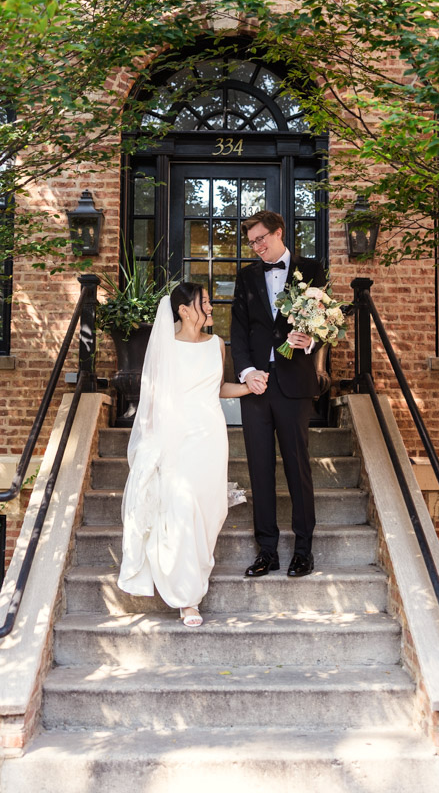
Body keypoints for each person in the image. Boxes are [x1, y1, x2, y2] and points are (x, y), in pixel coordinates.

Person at [117, 282, 250, 627]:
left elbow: (219, 388)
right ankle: (188, 598)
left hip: (211, 436)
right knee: (182, 506)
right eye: (204, 302)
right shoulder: (165, 346)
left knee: (210, 510)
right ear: (184, 309)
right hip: (176, 436)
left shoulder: (217, 345)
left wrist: (249, 387)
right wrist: (153, 442)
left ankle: (192, 576)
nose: (210, 307)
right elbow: (152, 399)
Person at [230, 209, 326, 579]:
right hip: (256, 387)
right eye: (251, 242)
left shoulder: (313, 270)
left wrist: (309, 340)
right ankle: (266, 550)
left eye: (261, 239)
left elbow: (323, 320)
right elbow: (238, 331)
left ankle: (303, 550)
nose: (256, 247)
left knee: (297, 466)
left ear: (278, 232)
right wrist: (247, 372)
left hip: (294, 383)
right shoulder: (246, 276)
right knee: (259, 468)